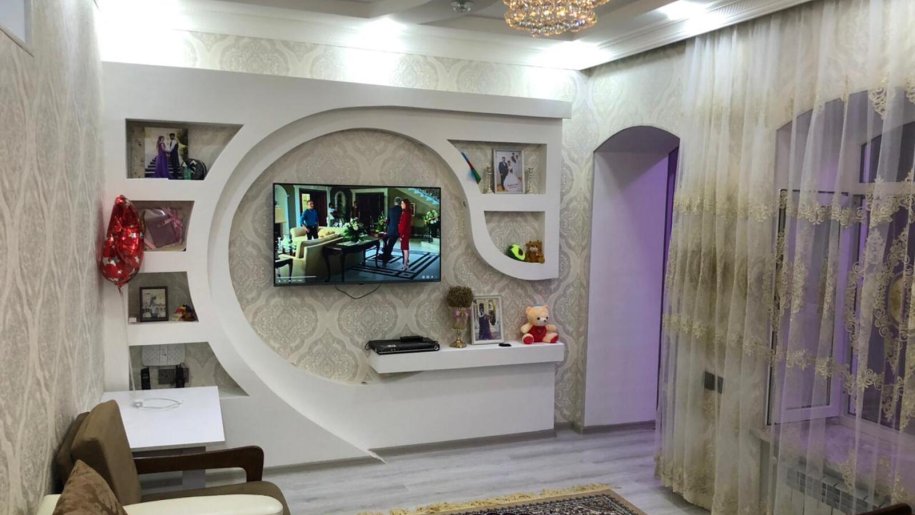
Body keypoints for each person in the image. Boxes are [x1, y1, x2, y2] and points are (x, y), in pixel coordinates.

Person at [381, 197, 402, 263]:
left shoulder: (391, 209)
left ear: (394, 202)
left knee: (387, 241)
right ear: (400, 202)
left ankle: (385, 253)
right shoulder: (401, 210)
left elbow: (388, 221)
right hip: (396, 230)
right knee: (390, 244)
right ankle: (386, 255)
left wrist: (386, 230)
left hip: (390, 229)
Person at [398, 198, 413, 271]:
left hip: (404, 233)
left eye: (402, 203)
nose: (401, 205)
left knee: (405, 249)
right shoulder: (406, 212)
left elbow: (403, 225)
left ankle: (405, 265)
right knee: (405, 248)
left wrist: (401, 235)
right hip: (405, 233)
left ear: (405, 204)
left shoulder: (406, 213)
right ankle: (406, 264)